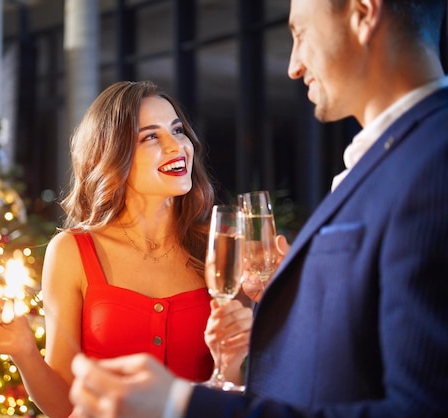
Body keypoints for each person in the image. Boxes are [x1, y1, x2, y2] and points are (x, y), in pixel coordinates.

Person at [68, 0, 448, 417]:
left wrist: (180, 404)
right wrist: (300, 298)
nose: (293, 66)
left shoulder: (433, 161)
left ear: (362, 12)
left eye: (300, 34)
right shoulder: (391, 155)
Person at [0, 80, 254, 418]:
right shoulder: (72, 251)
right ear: (112, 155)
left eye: (177, 130)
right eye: (151, 137)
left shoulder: (220, 247)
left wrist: (231, 362)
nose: (178, 146)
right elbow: (64, 406)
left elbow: (234, 388)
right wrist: (24, 350)